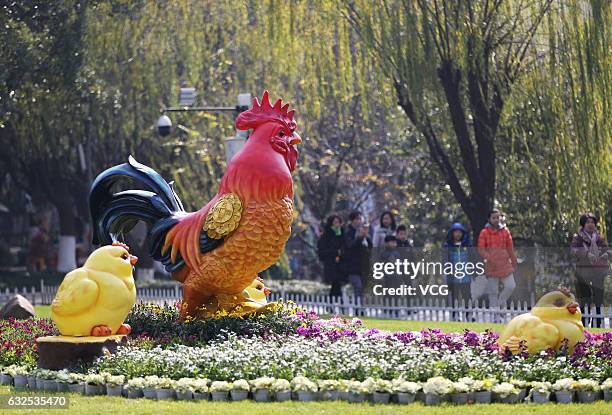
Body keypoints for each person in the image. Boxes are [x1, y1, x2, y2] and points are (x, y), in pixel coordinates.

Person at [570, 213, 610, 328]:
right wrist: (587, 254)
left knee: (598, 298)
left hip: (598, 272)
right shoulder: (578, 238)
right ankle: (583, 325)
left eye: (592, 222)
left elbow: (607, 249)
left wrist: (606, 254)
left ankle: (597, 325)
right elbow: (574, 251)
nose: (590, 224)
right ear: (583, 224)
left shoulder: (600, 238)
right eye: (588, 222)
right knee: (584, 299)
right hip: (583, 273)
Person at [476, 209, 518, 311]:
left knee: (511, 286)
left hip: (504, 264)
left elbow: (510, 248)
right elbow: (481, 249)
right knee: (493, 292)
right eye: (494, 218)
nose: (496, 220)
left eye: (498, 217)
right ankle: (495, 317)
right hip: (491, 265)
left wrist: (514, 261)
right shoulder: (484, 232)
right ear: (489, 219)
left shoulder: (505, 231)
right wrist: (490, 258)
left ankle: (499, 305)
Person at [442, 223, 473, 321]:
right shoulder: (447, 246)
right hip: (453, 276)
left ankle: (469, 315)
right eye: (456, 232)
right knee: (454, 296)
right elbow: (444, 260)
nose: (458, 234)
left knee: (467, 296)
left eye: (460, 232)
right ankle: (455, 315)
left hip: (466, 276)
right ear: (452, 233)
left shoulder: (467, 245)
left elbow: (473, 258)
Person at [344, 211, 373, 310]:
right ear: (352, 220)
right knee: (358, 286)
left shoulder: (365, 233)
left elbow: (370, 248)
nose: (359, 221)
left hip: (364, 266)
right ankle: (358, 308)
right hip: (353, 266)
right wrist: (360, 238)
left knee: (363, 289)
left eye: (360, 219)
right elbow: (350, 246)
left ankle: (361, 308)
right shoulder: (349, 232)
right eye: (357, 219)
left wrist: (366, 237)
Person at [317, 215, 346, 298]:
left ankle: (333, 304)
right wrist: (335, 252)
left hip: (341, 264)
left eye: (339, 222)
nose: (338, 225)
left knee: (337, 285)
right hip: (331, 264)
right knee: (335, 284)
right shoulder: (325, 236)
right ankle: (335, 304)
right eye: (335, 222)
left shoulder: (343, 234)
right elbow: (322, 252)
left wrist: (341, 254)